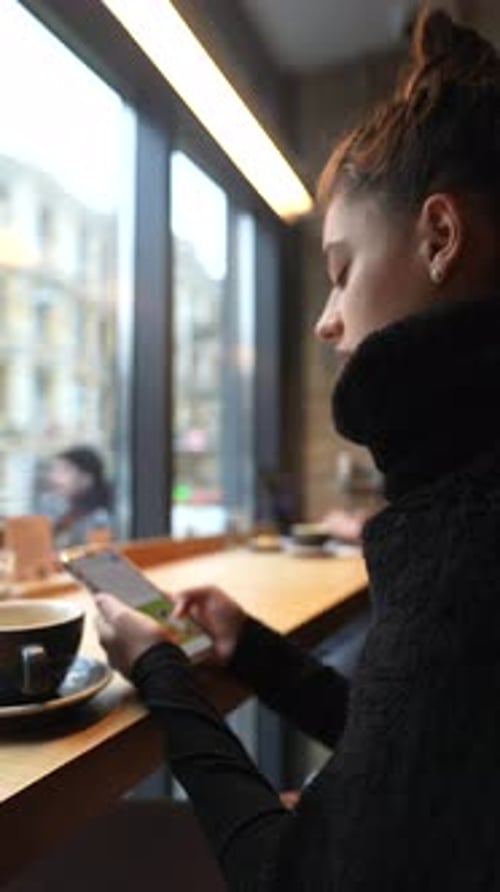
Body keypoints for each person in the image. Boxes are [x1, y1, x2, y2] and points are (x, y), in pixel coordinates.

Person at [94, 10, 500, 890]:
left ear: (439, 237)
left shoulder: (466, 542)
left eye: (342, 270)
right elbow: (412, 769)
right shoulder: (459, 498)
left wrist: (161, 670)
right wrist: (252, 651)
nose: (325, 319)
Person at [44, 446, 112, 548]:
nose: (54, 477)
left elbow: (99, 554)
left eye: (65, 470)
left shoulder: (99, 520)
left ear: (86, 478)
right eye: (54, 471)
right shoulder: (65, 513)